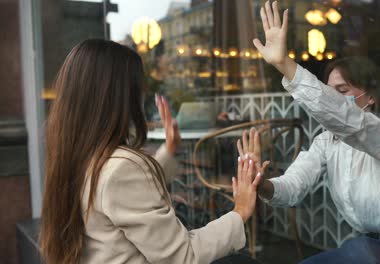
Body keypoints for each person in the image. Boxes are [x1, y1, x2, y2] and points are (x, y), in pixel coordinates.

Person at [236, 1, 380, 263]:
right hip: (366, 247)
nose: (334, 99)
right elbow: (292, 187)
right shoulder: (326, 142)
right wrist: (260, 182)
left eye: (341, 92)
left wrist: (285, 65)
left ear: (370, 97)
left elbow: (348, 120)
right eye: (329, 90)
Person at [39, 39, 264, 264]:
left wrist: (169, 149)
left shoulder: (76, 156)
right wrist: (240, 211)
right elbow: (184, 256)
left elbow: (122, 194)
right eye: (138, 91)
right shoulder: (121, 168)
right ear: (121, 98)